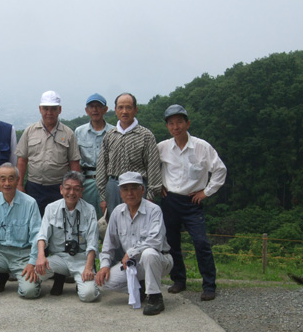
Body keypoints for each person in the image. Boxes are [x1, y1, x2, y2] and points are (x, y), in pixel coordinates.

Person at [158, 105, 227, 301]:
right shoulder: (162, 147)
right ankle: (179, 280)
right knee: (171, 243)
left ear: (187, 123)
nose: (176, 126)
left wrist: (207, 192)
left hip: (192, 201)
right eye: (171, 123)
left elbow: (220, 170)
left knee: (201, 242)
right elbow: (150, 165)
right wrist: (157, 185)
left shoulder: (202, 147)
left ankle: (209, 285)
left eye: (180, 122)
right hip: (170, 200)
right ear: (168, 127)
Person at [95, 172, 173, 315]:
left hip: (160, 260)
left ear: (142, 190)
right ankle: (141, 288)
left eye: (134, 188)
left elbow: (155, 241)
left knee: (149, 253)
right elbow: (108, 244)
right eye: (125, 189)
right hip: (132, 265)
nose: (129, 193)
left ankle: (155, 297)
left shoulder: (154, 210)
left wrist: (131, 253)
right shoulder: (117, 212)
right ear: (120, 192)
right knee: (104, 282)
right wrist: (104, 266)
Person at [0, 163, 42, 299]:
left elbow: (37, 236)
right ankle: (2, 275)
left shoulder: (30, 203)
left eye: (11, 178)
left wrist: (32, 262)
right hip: (1, 253)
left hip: (23, 255)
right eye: (2, 179)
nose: (7, 183)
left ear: (18, 180)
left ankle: (32, 279)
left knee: (30, 292)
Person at [34, 171, 100, 301]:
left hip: (81, 259)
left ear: (82, 191)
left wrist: (88, 268)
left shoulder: (89, 210)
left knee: (89, 295)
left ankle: (81, 279)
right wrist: (41, 256)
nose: (71, 192)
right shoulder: (51, 208)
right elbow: (42, 236)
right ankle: (59, 277)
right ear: (61, 189)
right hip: (59, 258)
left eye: (76, 189)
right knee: (32, 276)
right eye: (68, 188)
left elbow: (93, 242)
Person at [16, 90, 81, 216]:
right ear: (40, 109)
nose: (49, 113)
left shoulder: (68, 133)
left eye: (53, 109)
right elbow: (22, 160)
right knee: (35, 222)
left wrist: (76, 188)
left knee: (59, 223)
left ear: (59, 110)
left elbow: (74, 163)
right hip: (34, 187)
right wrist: (19, 185)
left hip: (59, 188)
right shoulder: (30, 131)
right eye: (46, 109)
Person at [96, 93, 162, 218]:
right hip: (114, 187)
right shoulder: (110, 135)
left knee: (139, 227)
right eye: (120, 107)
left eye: (128, 107)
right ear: (115, 110)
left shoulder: (146, 135)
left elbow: (153, 167)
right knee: (116, 227)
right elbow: (101, 167)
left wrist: (150, 196)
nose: (124, 111)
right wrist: (103, 197)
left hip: (138, 188)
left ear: (135, 110)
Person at [75, 93, 114, 218]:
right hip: (87, 181)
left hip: (108, 181)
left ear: (105, 109)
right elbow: (75, 160)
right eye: (91, 106)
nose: (95, 110)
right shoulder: (79, 132)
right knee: (86, 218)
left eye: (98, 106)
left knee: (109, 217)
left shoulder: (114, 132)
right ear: (87, 110)